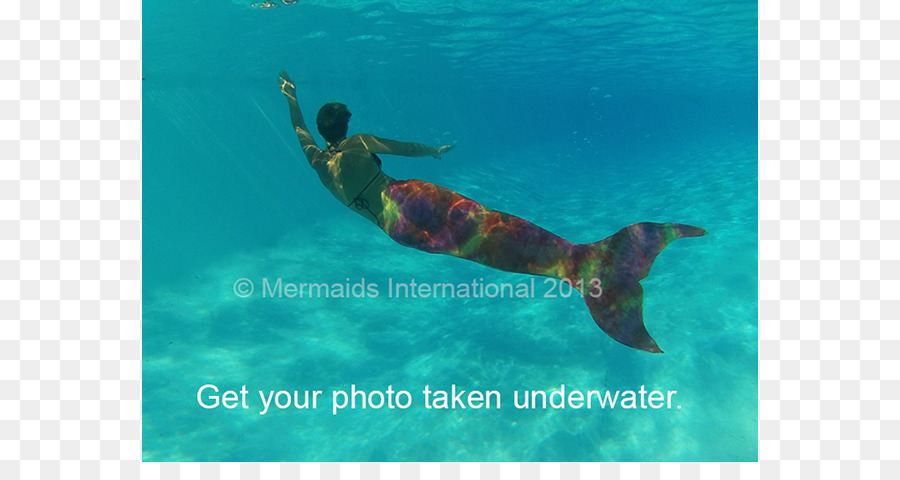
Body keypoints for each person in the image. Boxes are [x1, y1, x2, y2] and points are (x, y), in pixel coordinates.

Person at [278, 71, 706, 353]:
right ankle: (580, 262)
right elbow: (404, 148)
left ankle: (573, 269)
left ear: (323, 133)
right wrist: (433, 151)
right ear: (346, 125)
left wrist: (291, 99)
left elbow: (300, 132)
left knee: (478, 248)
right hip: (407, 196)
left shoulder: (318, 163)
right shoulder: (359, 143)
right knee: (486, 223)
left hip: (395, 226)